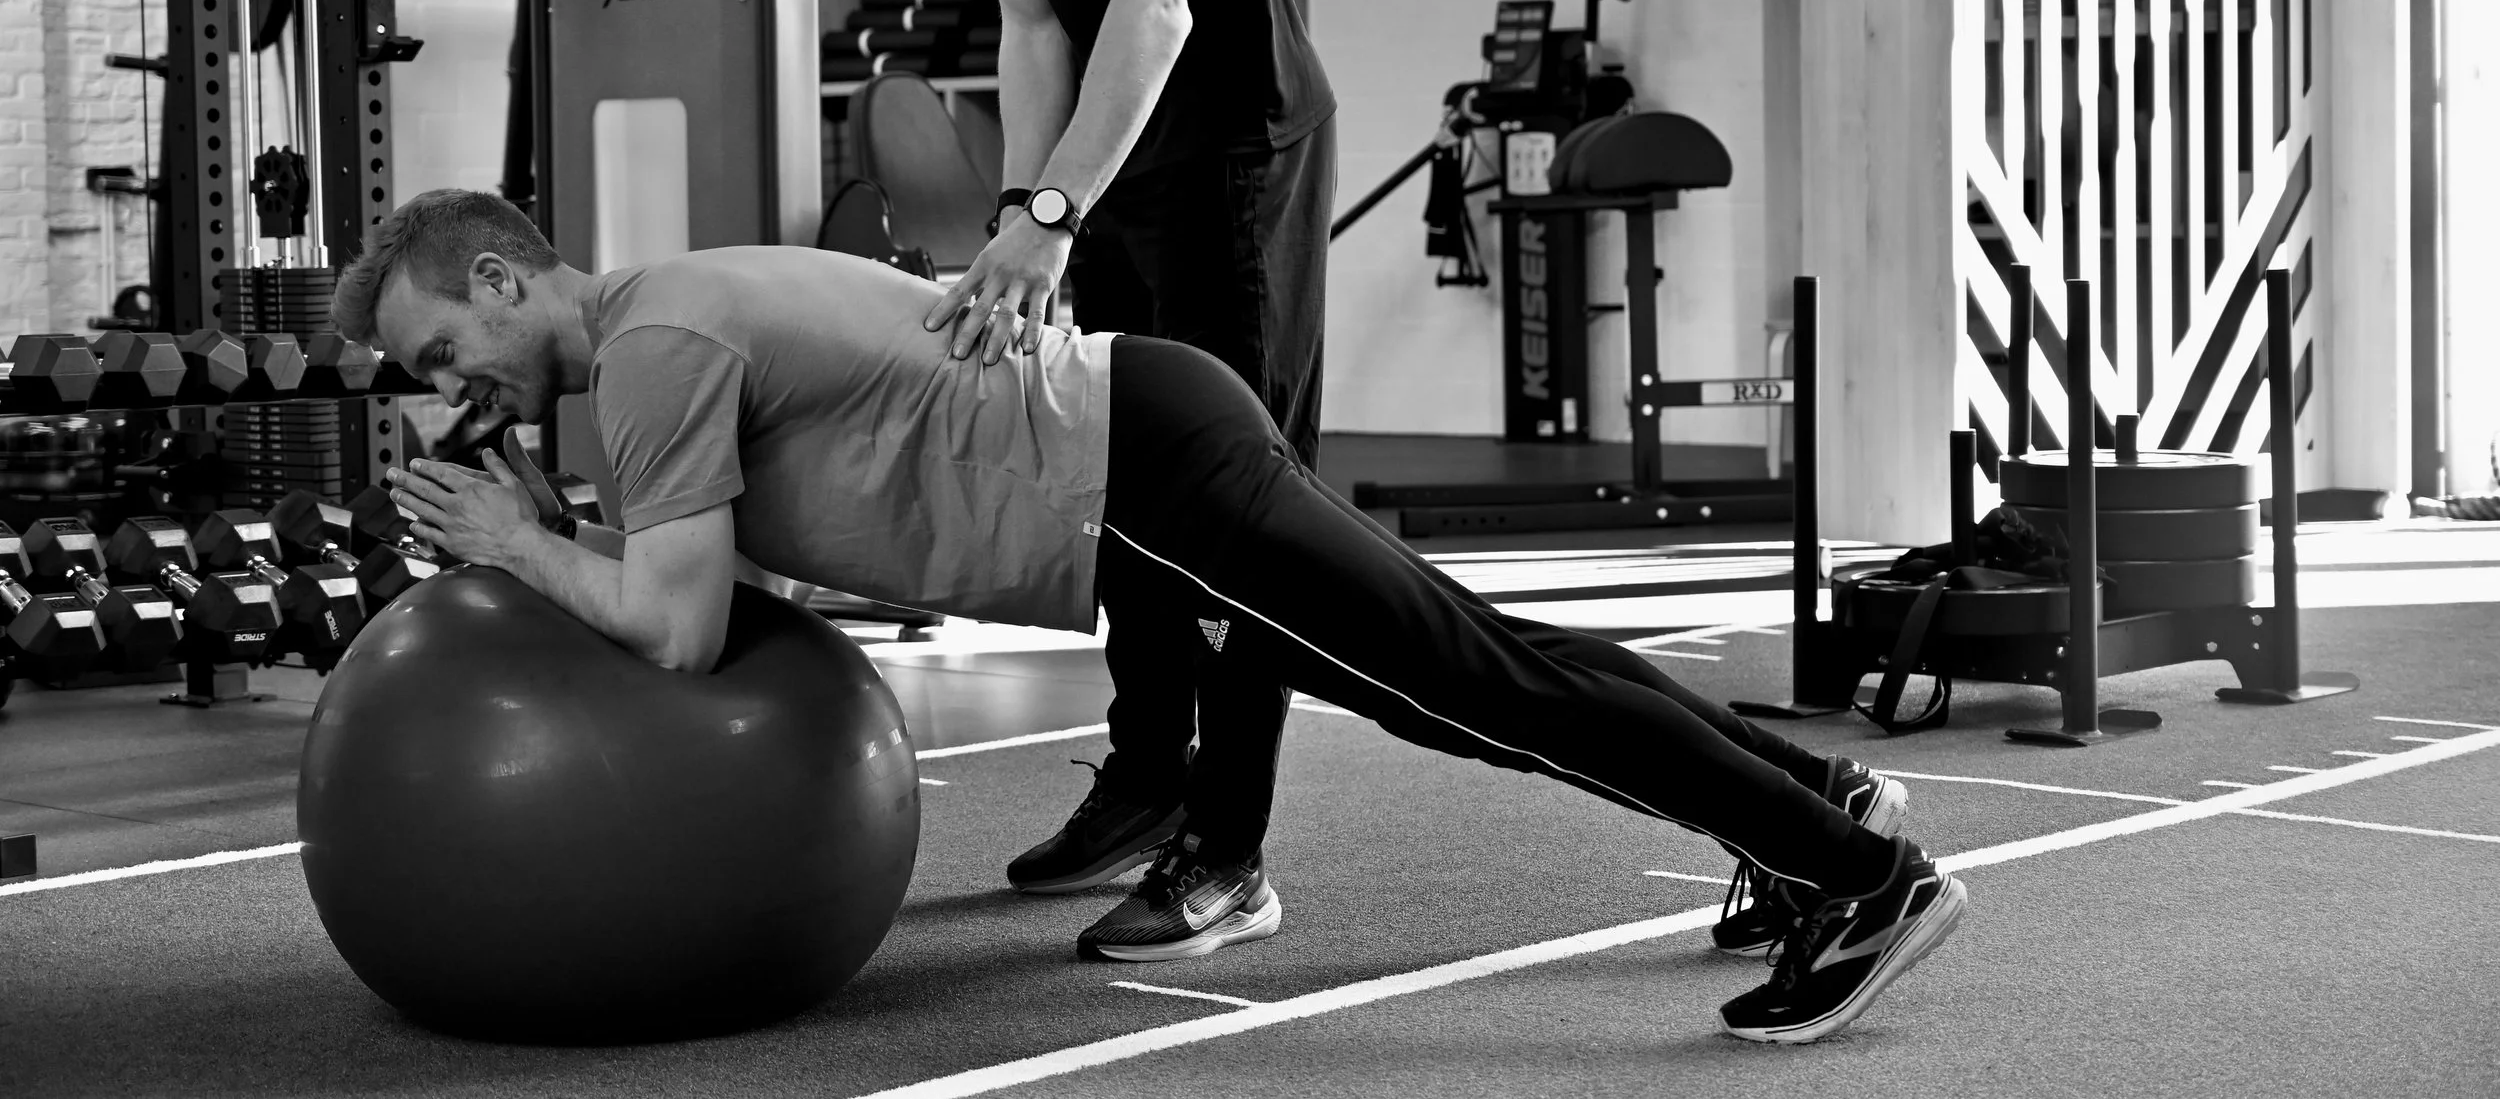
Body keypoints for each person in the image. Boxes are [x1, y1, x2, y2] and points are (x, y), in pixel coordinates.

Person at [342, 190, 1964, 1043]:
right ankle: (1821, 802)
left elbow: (682, 635)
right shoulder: (662, 322)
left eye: (440, 355)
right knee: (1486, 668)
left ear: (500, 279)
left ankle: (1859, 881)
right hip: (1148, 447)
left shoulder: (652, 353)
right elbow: (706, 578)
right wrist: (555, 532)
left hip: (1142, 480)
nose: (448, 394)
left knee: (1479, 690)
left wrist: (517, 543)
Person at [741, 0, 1336, 929]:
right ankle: (1148, 779)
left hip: (1233, 161)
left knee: (1241, 504)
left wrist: (1052, 216)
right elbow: (1030, 22)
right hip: (1107, 170)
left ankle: (1229, 847)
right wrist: (1027, 210)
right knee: (1114, 469)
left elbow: (1155, 5)